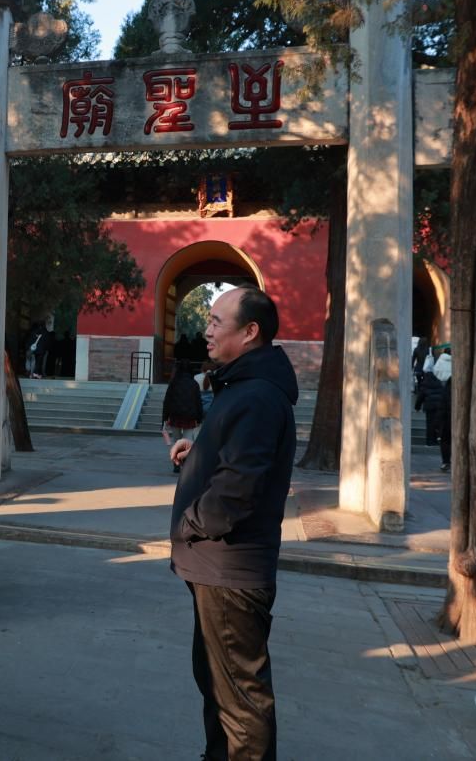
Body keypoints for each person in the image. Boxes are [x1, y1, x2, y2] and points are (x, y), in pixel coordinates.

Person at [168, 286, 297, 761]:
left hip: (230, 571)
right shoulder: (242, 386)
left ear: (250, 332)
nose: (207, 330)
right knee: (217, 684)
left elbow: (240, 486)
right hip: (217, 567)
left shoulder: (257, 395)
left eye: (217, 322)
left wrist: (191, 523)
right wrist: (199, 452)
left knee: (241, 699)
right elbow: (235, 456)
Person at [162, 360, 205, 472]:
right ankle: (185, 463)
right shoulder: (194, 384)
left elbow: (167, 401)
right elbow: (198, 402)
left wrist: (165, 417)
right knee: (187, 440)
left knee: (176, 440)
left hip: (175, 416)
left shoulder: (173, 383)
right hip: (189, 417)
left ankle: (176, 463)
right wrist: (199, 418)